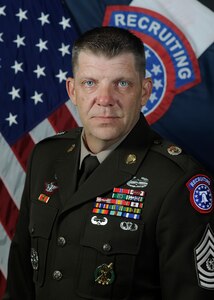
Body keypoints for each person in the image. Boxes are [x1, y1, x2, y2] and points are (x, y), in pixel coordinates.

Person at [3, 26, 214, 300]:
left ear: (145, 91)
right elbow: (20, 283)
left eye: (122, 83)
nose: (104, 100)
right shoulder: (45, 156)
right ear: (73, 90)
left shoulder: (177, 181)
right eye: (90, 83)